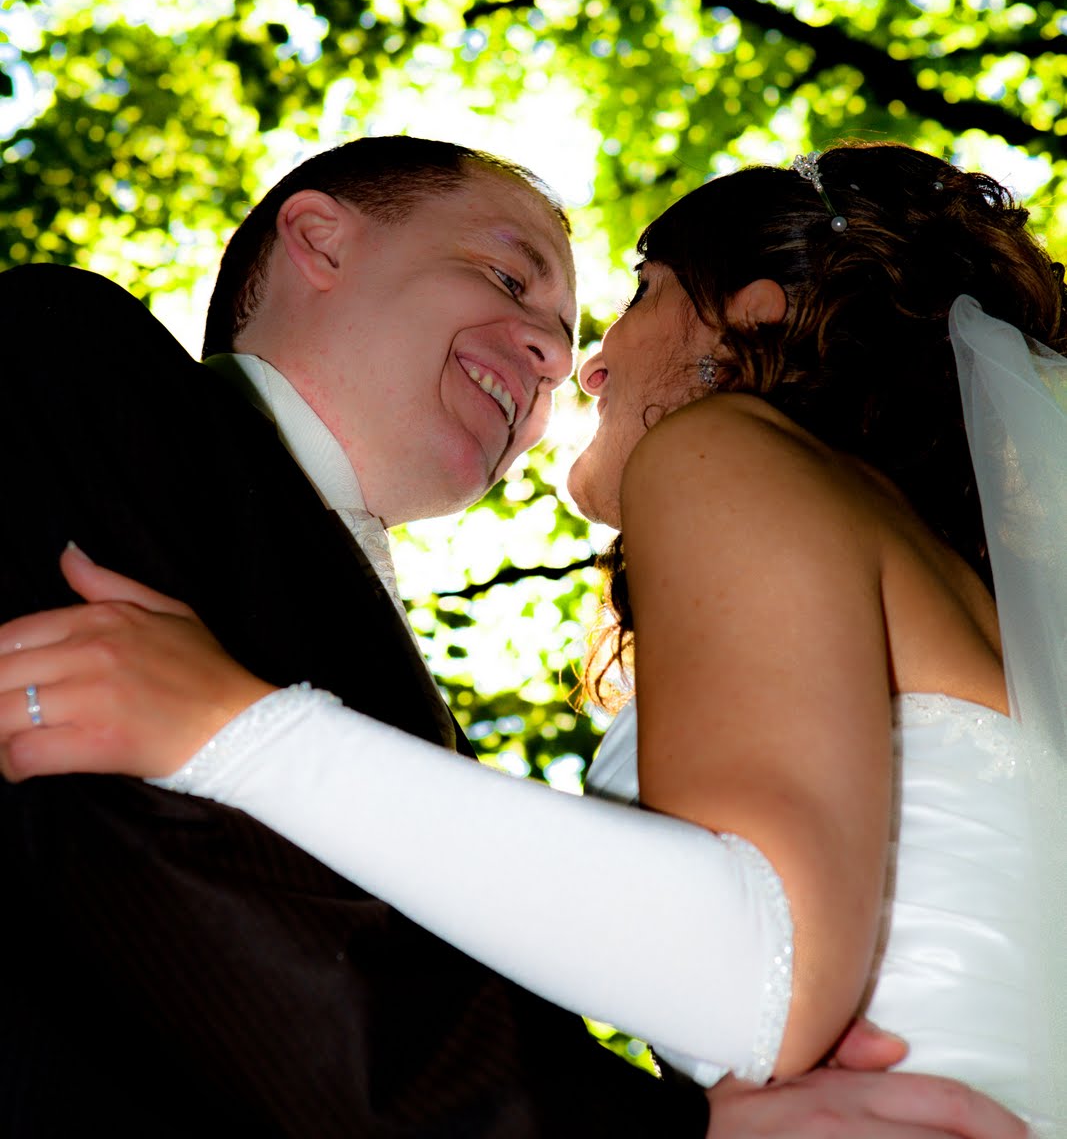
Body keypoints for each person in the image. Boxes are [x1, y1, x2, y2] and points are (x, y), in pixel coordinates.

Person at [0, 138, 1031, 1139]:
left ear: (753, 317)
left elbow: (747, 969)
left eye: (628, 299)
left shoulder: (737, 468)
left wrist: (236, 730)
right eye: (506, 275)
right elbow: (115, 856)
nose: (567, 362)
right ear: (319, 240)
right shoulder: (73, 354)